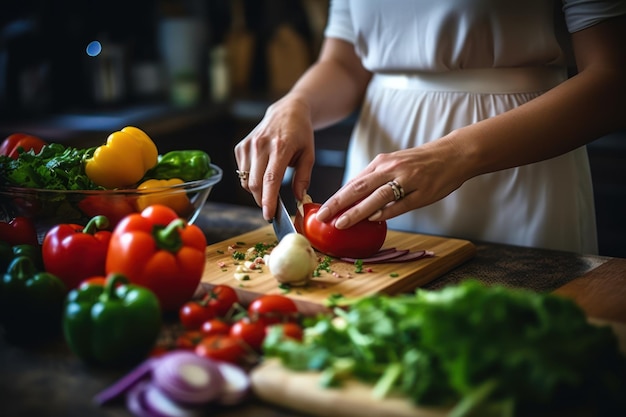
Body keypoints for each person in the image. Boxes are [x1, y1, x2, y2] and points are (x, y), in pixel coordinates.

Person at [234, 0, 626, 254]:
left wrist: (455, 153)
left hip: (519, 161)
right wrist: (295, 103)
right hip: (378, 169)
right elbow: (345, 63)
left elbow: (614, 79)